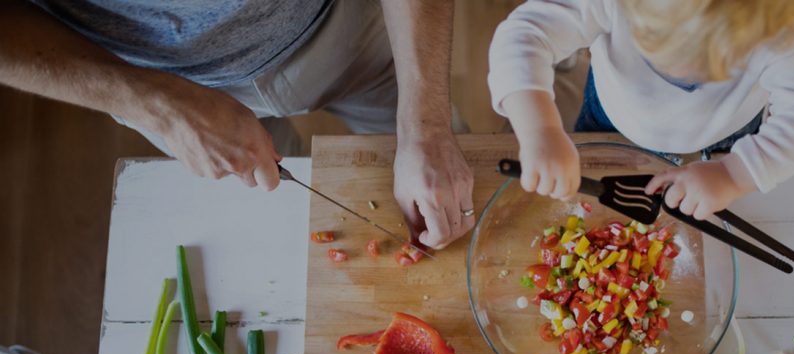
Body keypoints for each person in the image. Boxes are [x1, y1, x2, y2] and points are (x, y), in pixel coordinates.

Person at [0, 0, 474, 249]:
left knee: (450, 192)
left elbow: (427, 133)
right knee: (274, 236)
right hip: (159, 84)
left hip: (341, 25)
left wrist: (426, 127)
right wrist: (159, 107)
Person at [488, 0, 794, 221]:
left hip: (728, 134)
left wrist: (734, 175)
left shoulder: (786, 25)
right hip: (613, 117)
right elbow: (525, 34)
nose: (687, 77)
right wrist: (540, 131)